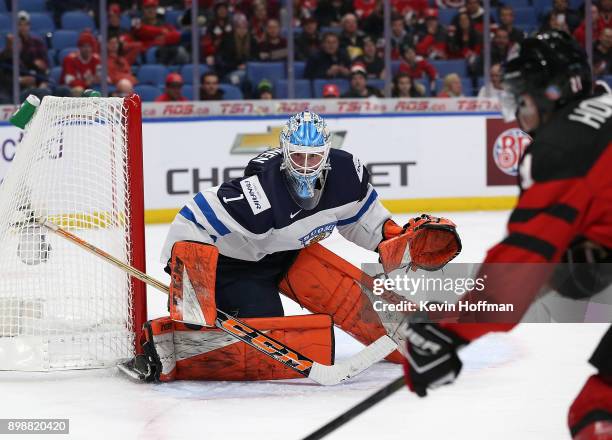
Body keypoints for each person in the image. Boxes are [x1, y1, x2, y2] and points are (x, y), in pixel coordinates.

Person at [134, 110, 460, 383]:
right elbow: (194, 217)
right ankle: (173, 345)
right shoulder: (261, 195)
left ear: (327, 153)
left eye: (314, 156)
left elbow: (362, 218)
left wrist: (392, 236)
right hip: (236, 268)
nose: (306, 165)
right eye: (298, 156)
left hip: (288, 255)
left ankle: (415, 340)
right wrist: (189, 274)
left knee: (351, 294)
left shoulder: (348, 176)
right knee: (269, 344)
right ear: (285, 152)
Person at [401, 31, 612, 440]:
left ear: (548, 93)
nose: (518, 114)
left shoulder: (564, 146)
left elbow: (521, 264)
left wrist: (448, 332)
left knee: (598, 410)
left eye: (522, 99)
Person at [61, 32, 101, 97]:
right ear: (79, 47)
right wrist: (85, 83)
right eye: (84, 46)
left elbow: (102, 77)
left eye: (89, 46)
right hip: (71, 89)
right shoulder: (70, 59)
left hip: (90, 87)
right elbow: (69, 81)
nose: (87, 49)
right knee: (78, 90)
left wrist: (99, 79)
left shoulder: (96, 59)